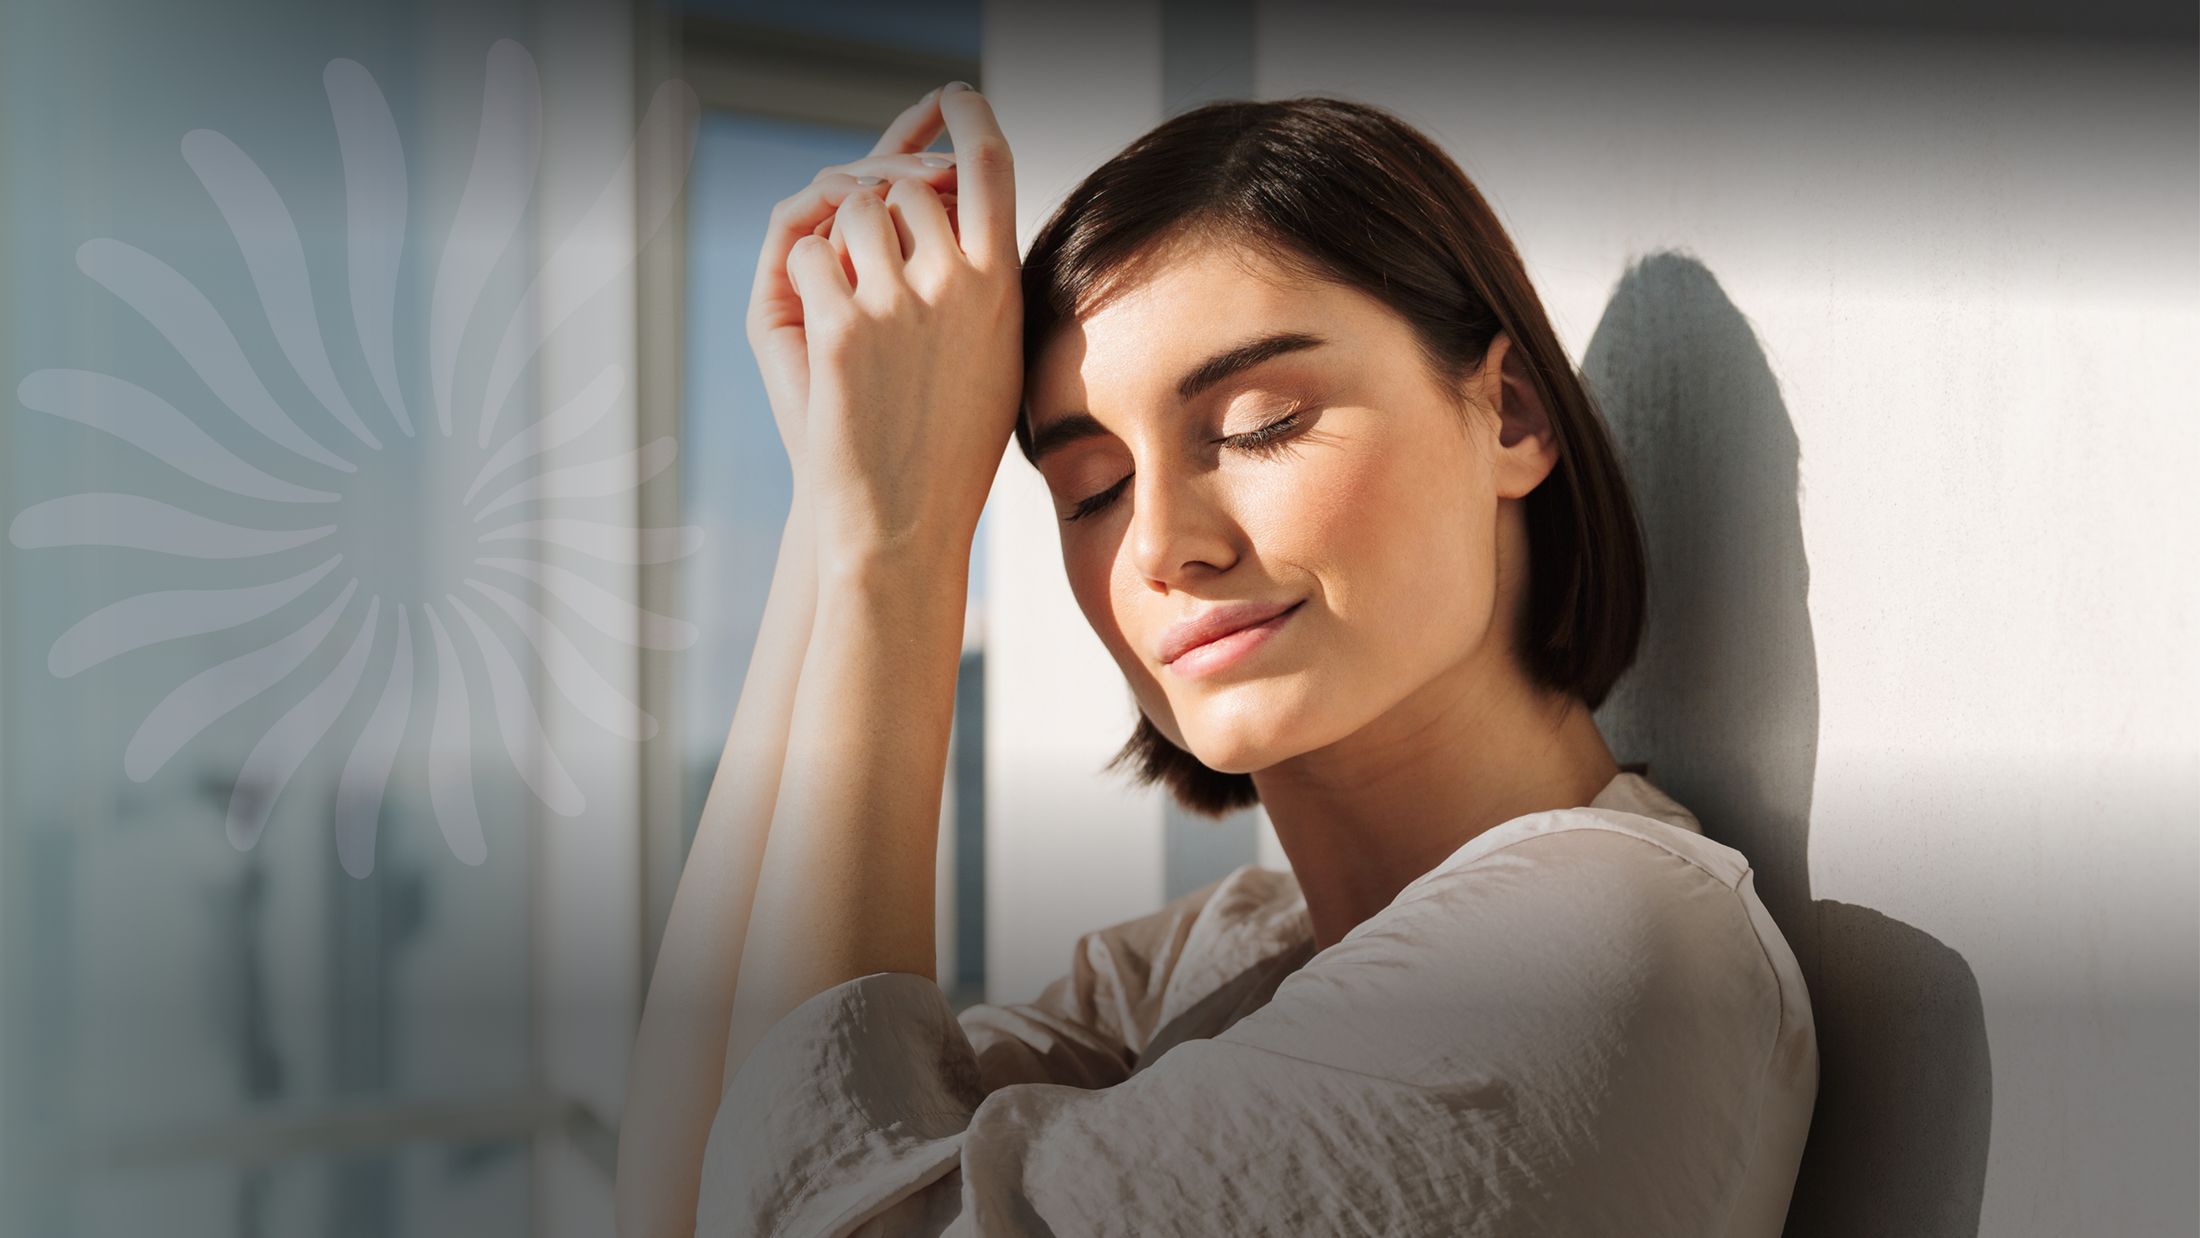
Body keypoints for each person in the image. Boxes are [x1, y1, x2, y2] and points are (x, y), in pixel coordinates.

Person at [616, 81, 1818, 1238]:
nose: (1161, 545)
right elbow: (712, 1186)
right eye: (1091, 487)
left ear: (1508, 417)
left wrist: (898, 554)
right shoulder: (1200, 965)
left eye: (1259, 424)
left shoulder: (1600, 947)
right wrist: (833, 516)